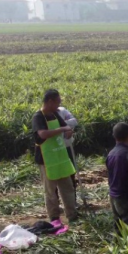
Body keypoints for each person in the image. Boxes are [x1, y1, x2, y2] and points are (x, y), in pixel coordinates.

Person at [32, 89, 78, 223]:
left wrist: (69, 131)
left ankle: (72, 215)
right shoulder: (38, 117)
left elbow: (66, 127)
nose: (59, 105)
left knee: (67, 187)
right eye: (58, 102)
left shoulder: (54, 114)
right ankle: (54, 218)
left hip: (60, 156)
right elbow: (42, 134)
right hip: (46, 159)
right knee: (50, 190)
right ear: (50, 102)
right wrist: (63, 129)